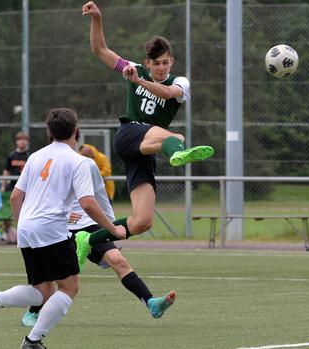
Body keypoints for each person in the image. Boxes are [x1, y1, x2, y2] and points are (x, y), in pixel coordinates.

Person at [76, 1, 215, 264]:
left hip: (146, 150)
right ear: (147, 62)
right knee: (176, 139)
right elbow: (100, 49)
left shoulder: (179, 82)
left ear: (171, 60)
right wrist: (97, 19)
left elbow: (168, 93)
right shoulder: (133, 69)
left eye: (165, 63)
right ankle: (177, 154)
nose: (161, 68)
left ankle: (87, 239)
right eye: (156, 64)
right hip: (129, 135)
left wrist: (139, 81)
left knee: (142, 221)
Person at [0, 108, 126, 349]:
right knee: (69, 286)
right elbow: (87, 202)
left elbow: (14, 198)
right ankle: (33, 341)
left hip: (27, 228)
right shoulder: (79, 161)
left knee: (43, 291)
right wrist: (113, 229)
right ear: (76, 131)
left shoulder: (34, 157)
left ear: (49, 132)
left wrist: (24, 228)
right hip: (51, 228)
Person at [21, 156, 175, 327]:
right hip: (59, 225)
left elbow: (100, 195)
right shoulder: (44, 163)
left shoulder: (87, 164)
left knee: (118, 261)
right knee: (53, 275)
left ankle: (151, 302)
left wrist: (111, 230)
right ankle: (34, 311)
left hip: (90, 225)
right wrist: (63, 214)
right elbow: (37, 198)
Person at [0, 131, 31, 243]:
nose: (22, 141)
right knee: (7, 210)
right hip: (12, 186)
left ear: (27, 141)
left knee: (24, 209)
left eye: (24, 139)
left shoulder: (30, 156)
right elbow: (6, 170)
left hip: (25, 188)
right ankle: (7, 232)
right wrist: (3, 185)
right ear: (16, 142)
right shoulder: (12, 155)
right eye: (19, 139)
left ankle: (23, 232)